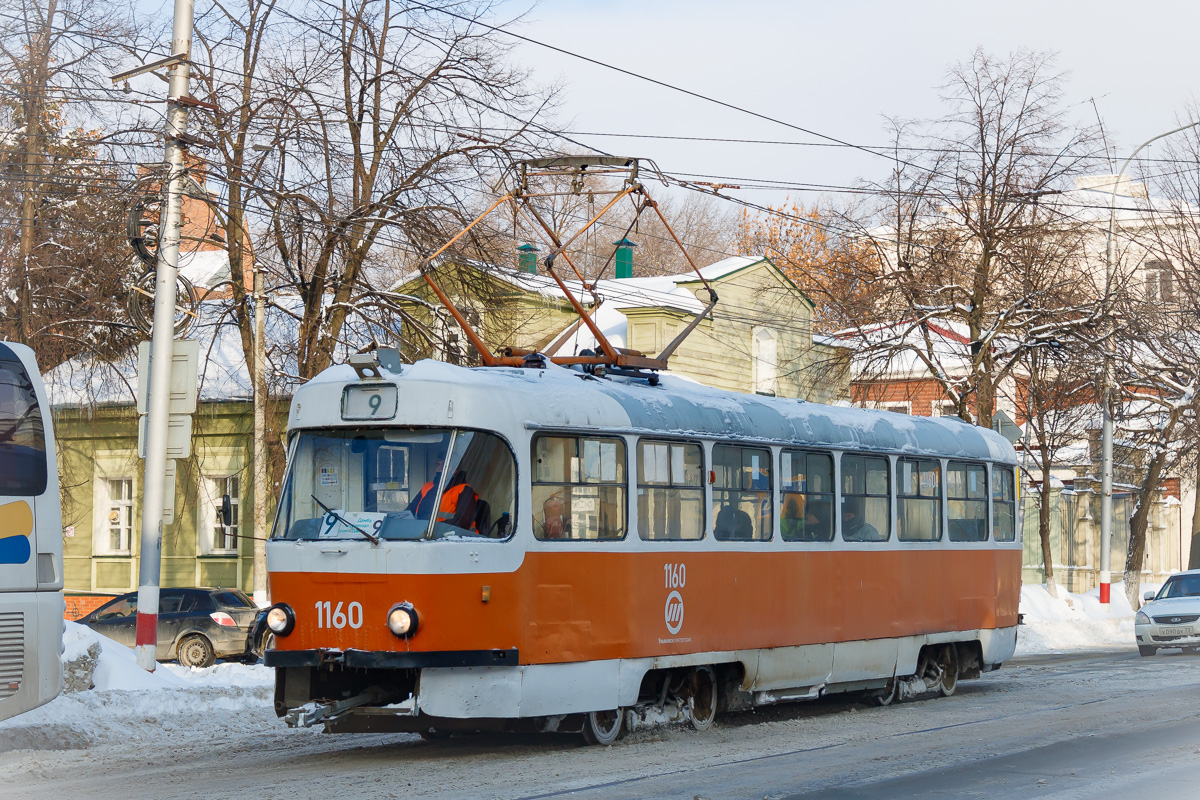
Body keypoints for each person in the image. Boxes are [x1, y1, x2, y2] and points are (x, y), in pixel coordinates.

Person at [408, 453, 480, 532]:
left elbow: (463, 522)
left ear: (456, 469)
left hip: (456, 539)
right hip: (425, 535)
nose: (440, 468)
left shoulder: (464, 490)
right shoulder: (428, 486)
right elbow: (410, 510)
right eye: (438, 464)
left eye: (445, 465)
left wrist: (430, 529)